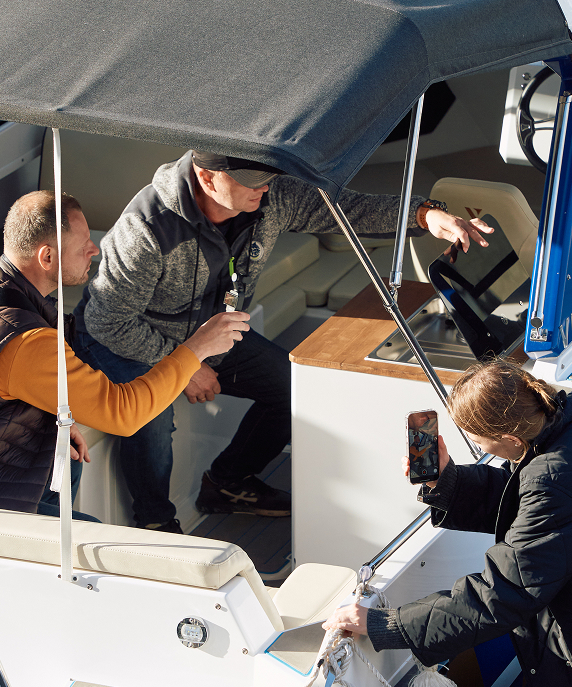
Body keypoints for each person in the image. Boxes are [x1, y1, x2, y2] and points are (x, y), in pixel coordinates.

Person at [73, 150, 493, 532]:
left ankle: (227, 482)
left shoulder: (271, 197)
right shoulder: (146, 229)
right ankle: (155, 523)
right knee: (150, 413)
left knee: (293, 389)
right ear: (207, 177)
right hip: (126, 338)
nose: (264, 187)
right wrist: (186, 364)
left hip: (213, 333)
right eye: (252, 181)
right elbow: (107, 321)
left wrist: (424, 216)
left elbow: (347, 209)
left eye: (267, 177)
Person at [0, 190, 249, 519]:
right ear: (47, 257)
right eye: (83, 245)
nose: (95, 249)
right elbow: (123, 414)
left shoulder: (14, 297)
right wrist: (197, 348)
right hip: (8, 504)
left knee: (64, 456)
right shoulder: (27, 340)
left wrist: (46, 416)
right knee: (94, 537)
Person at [323, 359, 572, 684]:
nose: (479, 447)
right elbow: (530, 503)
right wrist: (446, 483)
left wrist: (389, 624)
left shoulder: (549, 482)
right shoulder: (556, 429)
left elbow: (506, 593)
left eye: (479, 442)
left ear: (510, 438)